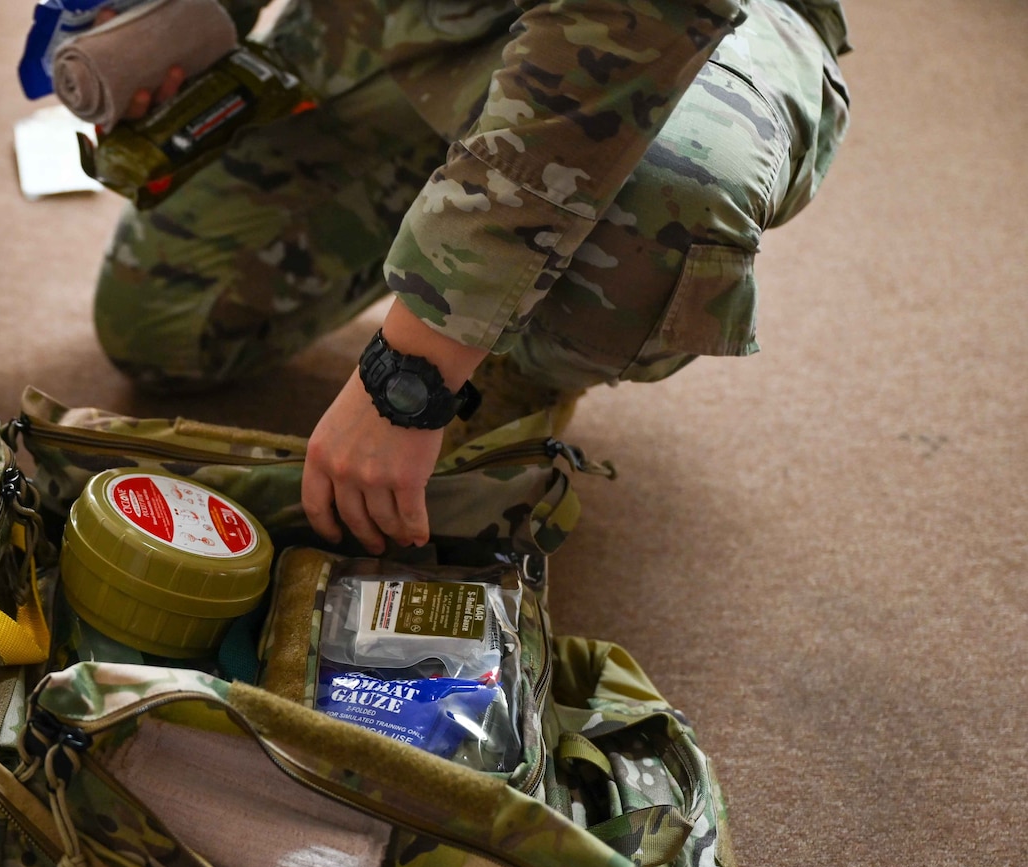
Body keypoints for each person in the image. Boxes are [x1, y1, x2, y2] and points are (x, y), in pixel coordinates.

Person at [90, 0, 850, 554]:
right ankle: (468, 210)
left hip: (664, 29)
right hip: (425, 16)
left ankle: (522, 342)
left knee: (663, 194)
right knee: (162, 328)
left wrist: (409, 378)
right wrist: (177, 18)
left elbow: (632, 26)